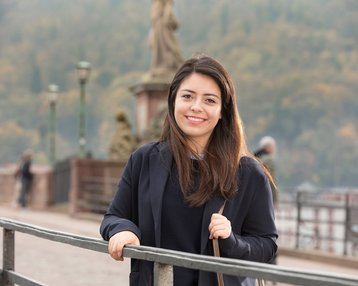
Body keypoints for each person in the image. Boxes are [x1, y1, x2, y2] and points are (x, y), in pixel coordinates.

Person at [100, 55, 278, 285]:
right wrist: (122, 230)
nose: (196, 107)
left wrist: (231, 240)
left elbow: (267, 245)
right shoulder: (144, 160)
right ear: (173, 100)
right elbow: (114, 216)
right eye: (188, 96)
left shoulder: (248, 173)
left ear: (223, 110)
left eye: (210, 100)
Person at [254, 136, 278, 208]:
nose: (274, 149)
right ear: (268, 147)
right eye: (273, 147)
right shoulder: (268, 160)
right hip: (265, 194)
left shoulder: (255, 157)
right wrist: (275, 199)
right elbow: (271, 180)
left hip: (254, 193)